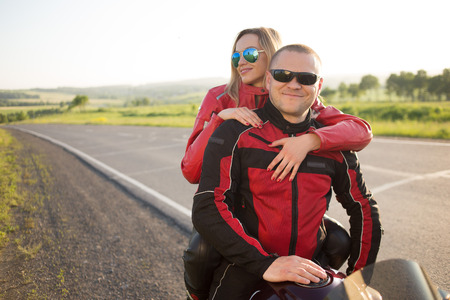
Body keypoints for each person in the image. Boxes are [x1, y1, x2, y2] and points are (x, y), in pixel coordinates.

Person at [182, 27, 373, 300]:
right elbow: (190, 171)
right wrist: (220, 119)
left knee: (337, 240)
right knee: (202, 250)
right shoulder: (220, 98)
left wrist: (310, 141)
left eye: (249, 53)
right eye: (235, 56)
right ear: (272, 77)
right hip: (235, 210)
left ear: (270, 58)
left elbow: (361, 130)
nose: (241, 61)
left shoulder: (302, 97)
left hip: (288, 221)